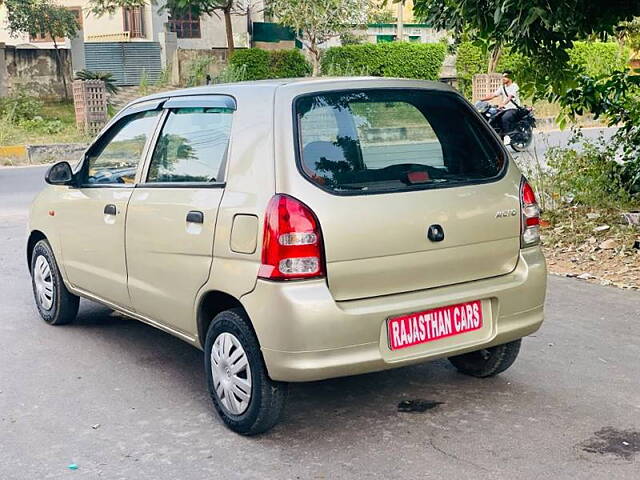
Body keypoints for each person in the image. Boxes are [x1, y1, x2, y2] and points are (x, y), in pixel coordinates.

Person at [481, 71, 521, 136]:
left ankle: (509, 135)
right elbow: (493, 95)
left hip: (513, 109)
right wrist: (481, 100)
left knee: (505, 118)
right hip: (504, 109)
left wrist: (503, 104)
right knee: (493, 116)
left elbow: (510, 97)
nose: (503, 78)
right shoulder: (502, 87)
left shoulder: (515, 86)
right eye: (503, 77)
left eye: (505, 77)